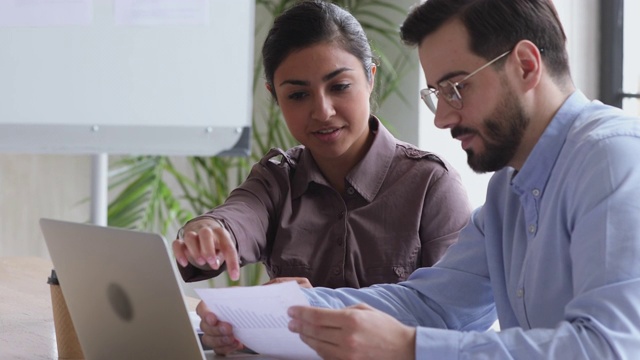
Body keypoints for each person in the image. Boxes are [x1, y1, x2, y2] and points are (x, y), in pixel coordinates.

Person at [196, 0, 640, 358]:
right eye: (437, 94)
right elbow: (432, 304)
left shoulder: (611, 157)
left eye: (456, 87)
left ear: (525, 65)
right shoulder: (510, 188)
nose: (444, 117)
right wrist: (290, 313)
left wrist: (408, 346)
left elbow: (607, 347)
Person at [172, 0, 470, 290]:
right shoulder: (276, 180)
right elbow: (239, 217)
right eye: (298, 95)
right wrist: (209, 230)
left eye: (339, 87)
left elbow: (454, 311)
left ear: (370, 79)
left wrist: (324, 309)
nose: (323, 111)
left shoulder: (432, 185)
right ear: (275, 96)